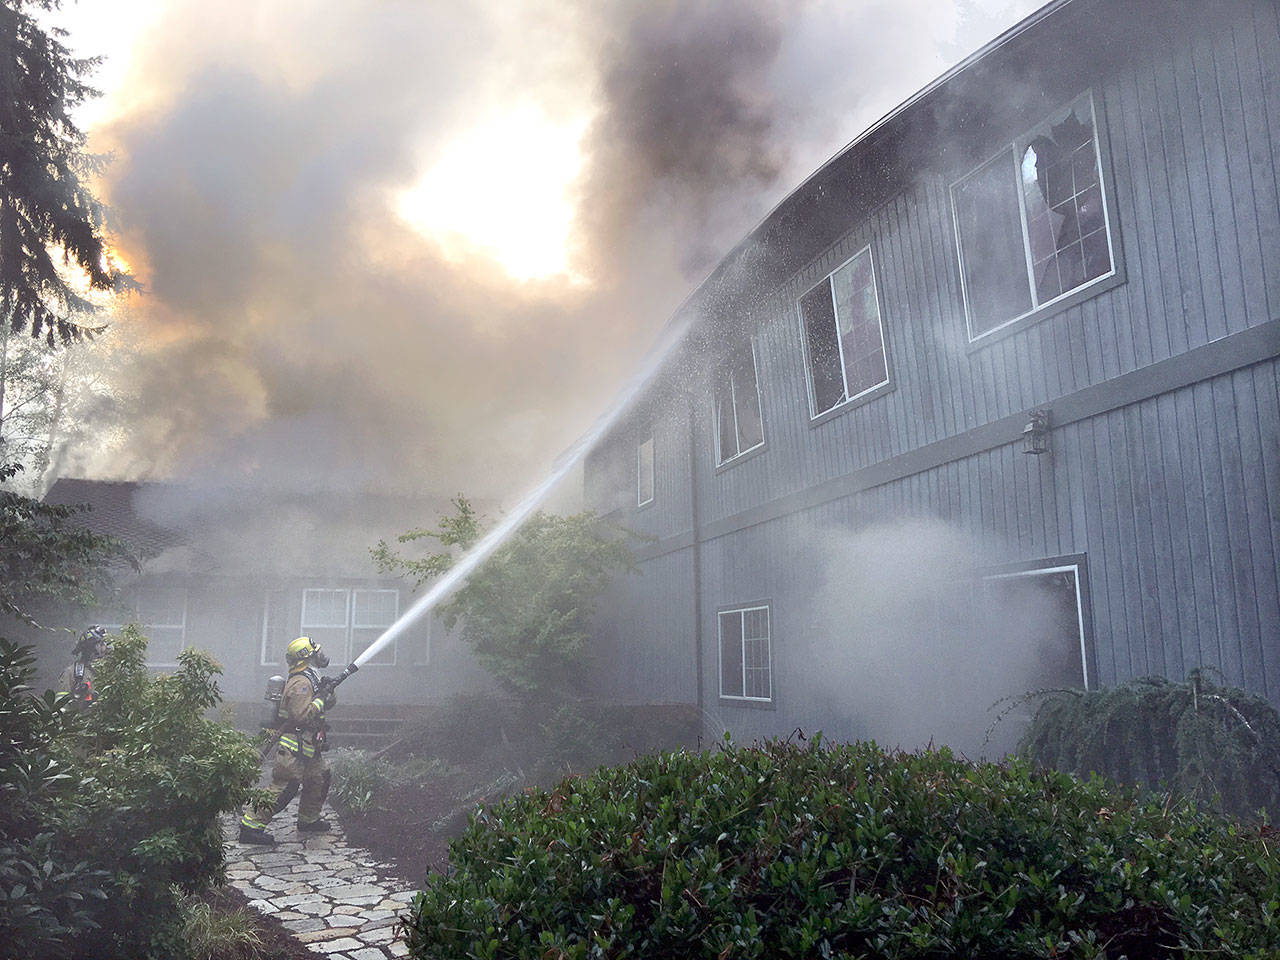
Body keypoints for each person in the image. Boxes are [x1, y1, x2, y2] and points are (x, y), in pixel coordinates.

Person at [239, 636, 336, 844]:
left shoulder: (310, 678)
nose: (320, 656)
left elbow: (325, 705)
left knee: (319, 778)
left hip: (310, 744)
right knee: (285, 786)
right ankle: (250, 826)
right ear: (306, 657)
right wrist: (320, 699)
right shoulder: (301, 683)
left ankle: (308, 820)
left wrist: (328, 691)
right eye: (315, 653)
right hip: (295, 745)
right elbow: (301, 715)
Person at [56, 626, 109, 711]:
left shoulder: (111, 671)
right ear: (91, 648)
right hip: (82, 718)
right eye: (102, 644)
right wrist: (80, 704)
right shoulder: (72, 673)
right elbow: (61, 707)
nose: (106, 648)